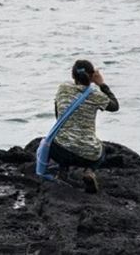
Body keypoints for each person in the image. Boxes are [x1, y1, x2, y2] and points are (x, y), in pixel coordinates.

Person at [51, 59, 119, 193]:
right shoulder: (96, 96)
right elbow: (115, 106)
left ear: (72, 76)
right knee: (101, 148)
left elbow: (57, 114)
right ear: (92, 76)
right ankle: (89, 171)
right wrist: (102, 84)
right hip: (87, 155)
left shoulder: (63, 88)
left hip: (59, 151)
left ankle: (62, 171)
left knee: (61, 138)